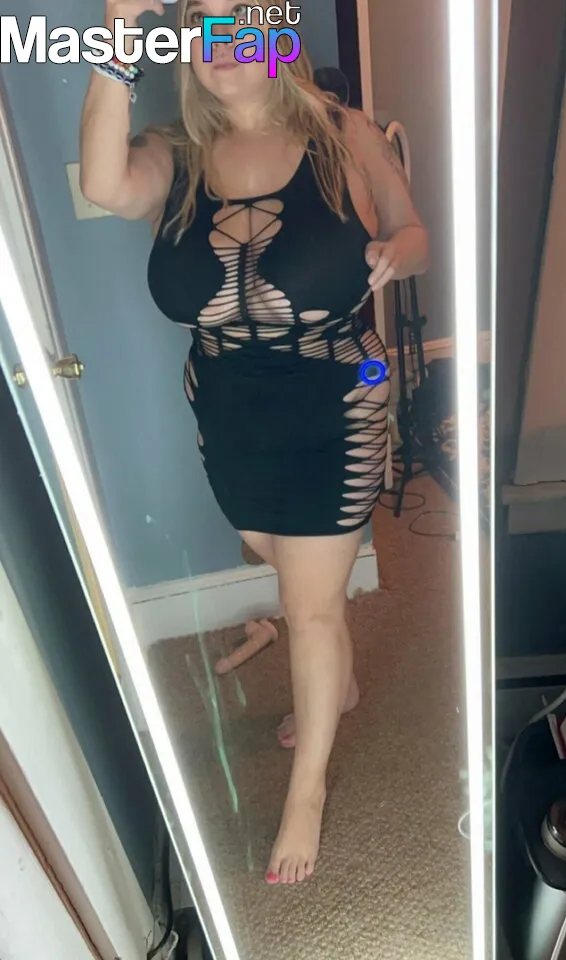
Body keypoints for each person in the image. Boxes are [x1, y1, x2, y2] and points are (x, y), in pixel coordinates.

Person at [80, 0, 429, 887]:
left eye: (242, 21)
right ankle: (338, 676)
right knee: (277, 554)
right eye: (202, 27)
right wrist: (117, 36)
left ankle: (306, 793)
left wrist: (399, 247)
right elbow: (103, 185)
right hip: (228, 404)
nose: (222, 43)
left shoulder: (342, 135)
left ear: (279, 36)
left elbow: (416, 230)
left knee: (308, 608)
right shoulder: (175, 157)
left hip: (339, 391)